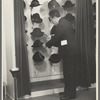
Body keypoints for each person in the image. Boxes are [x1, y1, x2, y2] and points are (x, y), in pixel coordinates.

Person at [43, 9, 78, 100]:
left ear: (54, 17)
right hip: (69, 51)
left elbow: (56, 40)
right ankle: (68, 92)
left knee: (69, 74)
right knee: (68, 74)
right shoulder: (66, 22)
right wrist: (51, 40)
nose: (52, 22)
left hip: (69, 53)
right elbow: (62, 39)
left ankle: (70, 95)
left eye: (51, 20)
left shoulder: (60, 25)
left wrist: (47, 44)